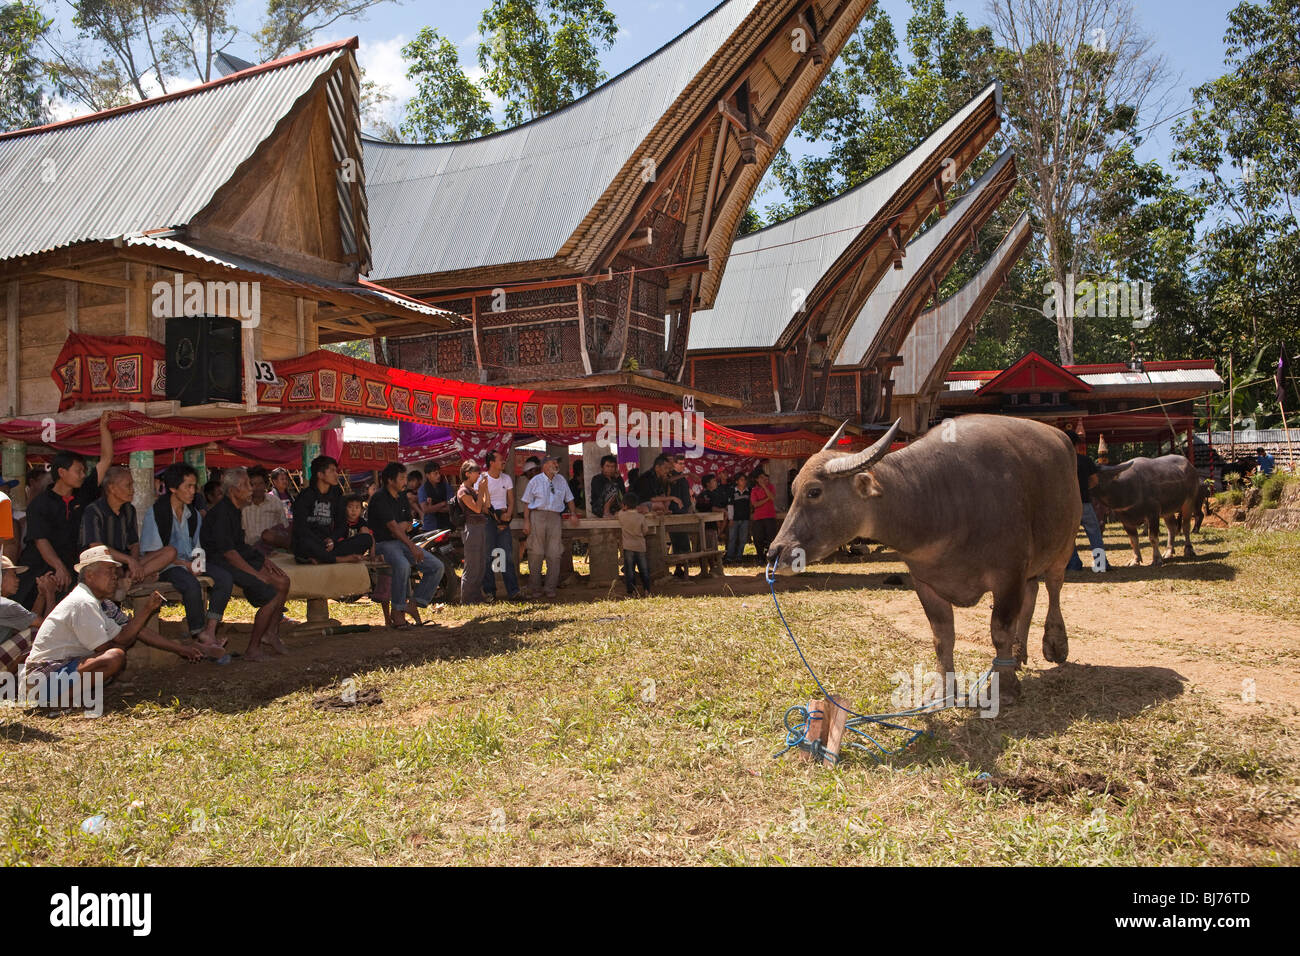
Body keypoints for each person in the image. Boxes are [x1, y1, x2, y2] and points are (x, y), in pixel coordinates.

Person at [20, 546, 204, 702]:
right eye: (108, 571)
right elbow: (109, 646)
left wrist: (147, 610)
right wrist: (141, 619)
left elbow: (124, 635)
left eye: (115, 572)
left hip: (55, 672)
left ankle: (61, 698)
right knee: (113, 657)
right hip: (42, 678)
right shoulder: (83, 602)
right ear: (90, 576)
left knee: (115, 654)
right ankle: (54, 702)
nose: (115, 576)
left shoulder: (98, 602)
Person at [15, 413, 113, 608]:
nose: (83, 475)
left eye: (84, 471)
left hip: (71, 565)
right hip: (41, 567)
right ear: (61, 473)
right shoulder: (40, 504)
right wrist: (58, 567)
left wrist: (103, 427)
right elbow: (41, 541)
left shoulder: (83, 493)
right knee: (33, 613)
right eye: (78, 471)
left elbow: (106, 459)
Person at [200, 468, 292, 660]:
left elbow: (239, 546)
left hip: (235, 556)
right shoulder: (222, 512)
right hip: (220, 562)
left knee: (283, 581)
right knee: (270, 594)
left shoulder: (235, 509)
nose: (252, 490)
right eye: (248, 485)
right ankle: (253, 648)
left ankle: (271, 633)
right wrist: (256, 574)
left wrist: (262, 560)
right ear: (235, 490)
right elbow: (229, 553)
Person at [140, 463, 228, 648]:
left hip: (187, 563)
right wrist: (185, 565)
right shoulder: (156, 513)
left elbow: (197, 546)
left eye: (194, 486)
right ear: (173, 488)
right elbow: (152, 553)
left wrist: (197, 562)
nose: (192, 491)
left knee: (224, 578)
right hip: (165, 566)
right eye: (187, 486)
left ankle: (211, 628)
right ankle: (199, 634)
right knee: (191, 584)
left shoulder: (193, 514)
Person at [369, 461, 445, 628]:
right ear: (390, 480)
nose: (405, 481)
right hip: (383, 544)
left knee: (437, 566)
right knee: (402, 565)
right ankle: (397, 611)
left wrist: (401, 529)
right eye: (402, 478)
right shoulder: (379, 498)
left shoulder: (402, 497)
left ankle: (414, 603)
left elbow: (408, 524)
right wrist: (409, 543)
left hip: (401, 541)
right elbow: (393, 528)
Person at [79, 466, 172, 588]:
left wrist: (133, 565)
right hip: (102, 564)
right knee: (107, 565)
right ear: (112, 488)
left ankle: (130, 578)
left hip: (125, 564)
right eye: (128, 486)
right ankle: (127, 580)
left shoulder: (129, 509)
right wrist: (129, 561)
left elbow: (134, 544)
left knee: (170, 551)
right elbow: (96, 547)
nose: (132, 490)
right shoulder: (94, 511)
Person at [292, 455, 373, 565]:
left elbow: (342, 524)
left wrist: (332, 539)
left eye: (336, 471)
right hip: (311, 543)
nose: (336, 474)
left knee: (366, 539)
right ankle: (338, 559)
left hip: (328, 544)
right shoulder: (305, 496)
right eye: (332, 471)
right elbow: (301, 528)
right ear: (320, 474)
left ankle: (322, 558)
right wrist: (319, 543)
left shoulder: (336, 495)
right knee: (303, 543)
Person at [521, 454, 578, 599]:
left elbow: (569, 498)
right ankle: (535, 588)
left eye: (556, 462)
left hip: (554, 517)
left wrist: (573, 513)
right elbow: (527, 502)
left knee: (555, 553)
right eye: (553, 462)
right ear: (545, 465)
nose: (556, 465)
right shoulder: (535, 481)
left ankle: (550, 588)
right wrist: (526, 521)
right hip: (537, 516)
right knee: (536, 553)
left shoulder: (561, 480)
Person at [0, 555, 59, 676]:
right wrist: (50, 593)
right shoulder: (7, 606)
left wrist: (41, 595)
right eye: (14, 575)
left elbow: (29, 620)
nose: (18, 580)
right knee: (35, 634)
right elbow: (47, 629)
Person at [1065, 432, 1109, 572]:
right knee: (1094, 534)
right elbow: (1095, 481)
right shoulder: (1085, 460)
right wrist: (1083, 488)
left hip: (1068, 505)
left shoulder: (1061, 461)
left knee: (1069, 537)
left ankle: (1074, 564)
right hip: (1085, 503)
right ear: (1077, 444)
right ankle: (1101, 564)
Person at [480, 451, 520, 601]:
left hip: (504, 519)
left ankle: (513, 591)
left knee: (505, 556)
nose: (503, 461)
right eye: (500, 459)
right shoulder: (482, 479)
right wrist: (497, 518)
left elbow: (511, 500)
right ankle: (490, 592)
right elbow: (482, 504)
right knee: (488, 556)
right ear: (491, 462)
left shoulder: (507, 478)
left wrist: (507, 516)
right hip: (488, 519)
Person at [454, 460, 490, 605]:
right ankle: (467, 599)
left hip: (480, 527)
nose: (478, 476)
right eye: (476, 473)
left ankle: (476, 596)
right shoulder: (463, 491)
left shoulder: (474, 490)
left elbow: (486, 506)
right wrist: (481, 490)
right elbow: (476, 509)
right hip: (471, 528)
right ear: (468, 474)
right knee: (472, 565)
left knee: (480, 563)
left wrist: (485, 489)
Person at [243, 465, 290, 551]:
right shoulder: (242, 505)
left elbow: (284, 527)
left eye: (260, 484)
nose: (257, 488)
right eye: (253, 484)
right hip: (248, 552)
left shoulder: (275, 502)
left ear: (265, 484)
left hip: (273, 553)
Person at [617, 492, 652, 598]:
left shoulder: (622, 515)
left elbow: (619, 512)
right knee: (644, 569)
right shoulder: (641, 517)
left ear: (624, 505)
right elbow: (645, 530)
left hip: (628, 547)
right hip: (640, 546)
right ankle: (647, 590)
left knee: (629, 570)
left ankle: (632, 592)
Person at [749, 467, 778, 563]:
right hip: (758, 518)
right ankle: (760, 557)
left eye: (764, 477)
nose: (763, 479)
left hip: (770, 516)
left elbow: (773, 498)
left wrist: (764, 487)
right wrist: (766, 499)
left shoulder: (770, 487)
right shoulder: (754, 490)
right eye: (760, 477)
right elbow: (755, 504)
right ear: (757, 479)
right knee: (758, 538)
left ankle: (771, 558)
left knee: (771, 538)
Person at [418, 462, 453, 533]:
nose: (438, 475)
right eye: (435, 473)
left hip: (447, 525)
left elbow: (451, 507)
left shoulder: (446, 487)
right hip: (430, 526)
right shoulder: (422, 489)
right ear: (428, 475)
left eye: (439, 473)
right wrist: (442, 504)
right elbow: (425, 510)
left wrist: (432, 508)